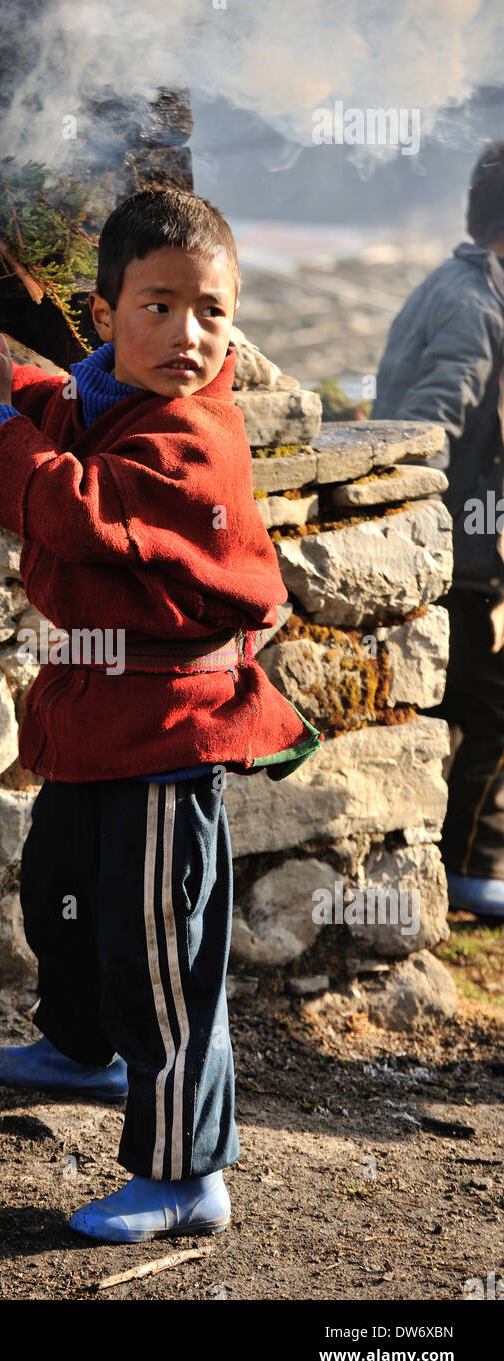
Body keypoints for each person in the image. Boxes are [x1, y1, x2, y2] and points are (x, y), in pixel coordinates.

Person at [0, 184, 322, 1243]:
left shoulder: (191, 438)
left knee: (161, 950)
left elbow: (78, 504)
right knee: (65, 892)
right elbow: (57, 409)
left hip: (170, 732)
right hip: (100, 719)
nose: (188, 334)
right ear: (102, 318)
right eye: (158, 306)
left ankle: (185, 1172)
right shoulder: (109, 394)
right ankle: (83, 1047)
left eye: (211, 310)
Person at [371, 142, 504, 915]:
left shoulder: (464, 286)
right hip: (457, 555)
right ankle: (471, 869)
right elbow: (430, 424)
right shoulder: (472, 303)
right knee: (486, 711)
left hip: (456, 548)